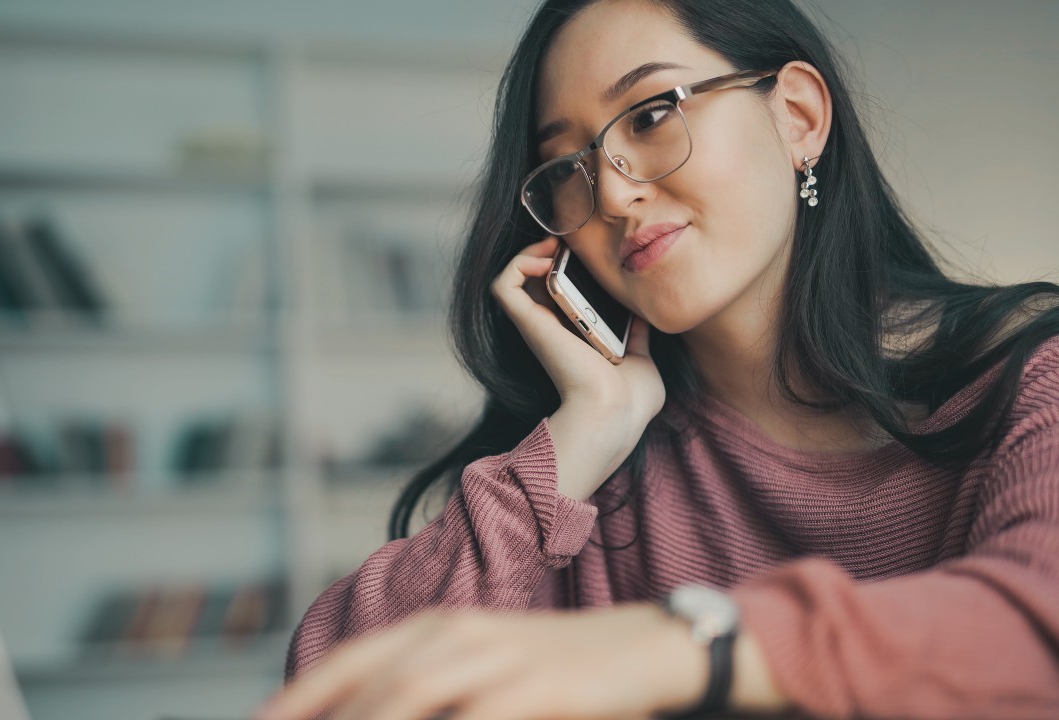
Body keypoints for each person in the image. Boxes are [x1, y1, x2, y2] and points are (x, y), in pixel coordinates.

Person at [256, 1, 1059, 718]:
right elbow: (338, 684)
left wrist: (681, 644)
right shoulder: (606, 477)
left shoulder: (1031, 377)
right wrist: (586, 435)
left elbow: (1032, 631)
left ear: (800, 117)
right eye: (568, 167)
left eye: (648, 116)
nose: (610, 195)